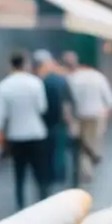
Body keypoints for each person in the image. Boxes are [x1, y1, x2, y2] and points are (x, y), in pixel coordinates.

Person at [0, 52, 50, 210]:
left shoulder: (4, 86)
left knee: (19, 173)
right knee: (39, 172)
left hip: (16, 135)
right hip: (37, 133)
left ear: (10, 65)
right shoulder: (36, 82)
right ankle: (44, 203)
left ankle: (20, 205)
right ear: (25, 64)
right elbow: (42, 107)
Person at [63, 52, 112, 182]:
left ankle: (85, 170)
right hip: (96, 115)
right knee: (93, 141)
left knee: (81, 144)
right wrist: (105, 114)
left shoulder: (72, 78)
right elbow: (110, 101)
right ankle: (91, 166)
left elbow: (67, 101)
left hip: (78, 115)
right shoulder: (99, 77)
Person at [33, 49, 74, 186]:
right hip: (59, 122)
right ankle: (60, 175)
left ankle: (49, 176)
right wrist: (68, 120)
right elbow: (67, 103)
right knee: (59, 150)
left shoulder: (40, 82)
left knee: (48, 152)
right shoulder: (61, 80)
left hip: (45, 122)